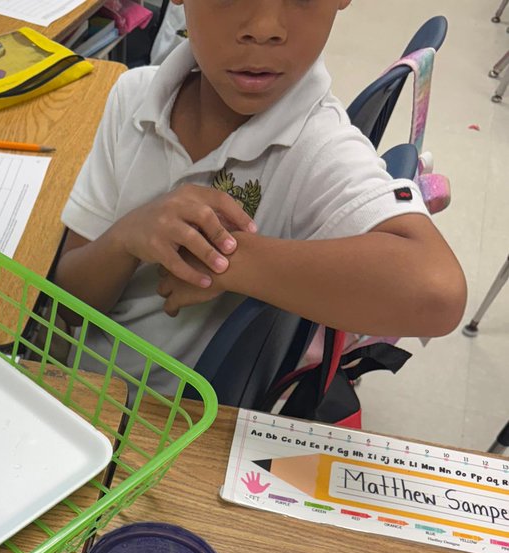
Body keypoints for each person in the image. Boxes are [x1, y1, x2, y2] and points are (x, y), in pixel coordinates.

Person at [55, 0, 467, 395]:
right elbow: (68, 306)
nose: (264, 28)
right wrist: (127, 236)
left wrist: (234, 259)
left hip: (172, 422)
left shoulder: (316, 149)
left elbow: (437, 292)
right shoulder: (131, 96)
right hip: (77, 385)